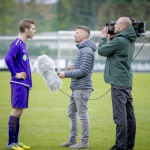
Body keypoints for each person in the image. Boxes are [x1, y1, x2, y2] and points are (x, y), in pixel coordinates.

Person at [98, 17, 136, 150]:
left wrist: (103, 37)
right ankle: (128, 145)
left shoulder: (120, 40)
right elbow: (116, 50)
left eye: (117, 25)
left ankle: (119, 146)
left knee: (120, 117)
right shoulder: (129, 39)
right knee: (129, 116)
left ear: (124, 27)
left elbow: (102, 51)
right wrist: (113, 36)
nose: (114, 26)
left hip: (118, 82)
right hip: (126, 80)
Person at [59, 26, 97, 149]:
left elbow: (84, 71)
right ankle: (72, 140)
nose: (75, 35)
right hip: (76, 87)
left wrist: (66, 74)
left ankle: (84, 142)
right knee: (71, 112)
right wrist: (73, 67)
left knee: (82, 115)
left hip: (82, 88)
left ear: (84, 36)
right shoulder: (82, 49)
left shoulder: (86, 50)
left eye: (77, 33)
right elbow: (81, 68)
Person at [5, 19, 36, 150]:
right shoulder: (17, 43)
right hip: (18, 83)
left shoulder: (24, 44)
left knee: (19, 112)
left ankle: (16, 141)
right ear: (25, 30)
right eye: (33, 28)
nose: (35, 31)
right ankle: (10, 143)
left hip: (24, 84)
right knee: (16, 111)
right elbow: (7, 58)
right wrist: (15, 74)